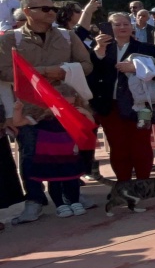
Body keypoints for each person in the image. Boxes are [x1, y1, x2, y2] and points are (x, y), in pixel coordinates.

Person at [0, 0, 95, 225]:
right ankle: (34, 201)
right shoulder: (11, 39)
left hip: (65, 106)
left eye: (53, 8)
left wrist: (62, 71)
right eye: (45, 8)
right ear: (28, 11)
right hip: (30, 109)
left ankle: (71, 195)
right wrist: (43, 71)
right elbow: (3, 71)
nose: (51, 12)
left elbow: (87, 65)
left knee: (67, 152)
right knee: (30, 154)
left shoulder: (68, 36)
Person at [89, 12, 155, 182]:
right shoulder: (100, 47)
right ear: (109, 28)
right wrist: (98, 51)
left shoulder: (146, 48)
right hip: (110, 105)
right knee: (118, 146)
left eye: (126, 24)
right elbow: (91, 74)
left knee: (141, 144)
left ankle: (143, 184)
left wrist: (136, 68)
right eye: (117, 24)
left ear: (132, 26)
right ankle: (124, 185)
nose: (122, 27)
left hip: (141, 104)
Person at [9, 87, 93, 219]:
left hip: (69, 155)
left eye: (72, 105)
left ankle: (75, 202)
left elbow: (90, 128)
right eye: (64, 104)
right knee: (54, 181)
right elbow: (18, 122)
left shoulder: (76, 115)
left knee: (72, 179)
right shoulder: (42, 117)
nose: (67, 107)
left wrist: (86, 114)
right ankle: (60, 205)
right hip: (49, 156)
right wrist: (17, 110)